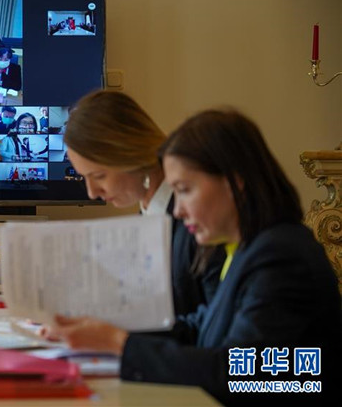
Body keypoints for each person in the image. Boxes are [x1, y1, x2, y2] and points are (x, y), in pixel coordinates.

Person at [52, 108, 342, 405]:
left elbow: (237, 373)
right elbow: (200, 328)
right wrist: (108, 331)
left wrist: (120, 343)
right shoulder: (248, 248)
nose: (178, 210)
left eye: (185, 190)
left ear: (235, 181)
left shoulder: (281, 257)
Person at [62, 91, 222, 315]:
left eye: (99, 176)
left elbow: (213, 324)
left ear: (130, 156)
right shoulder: (148, 214)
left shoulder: (198, 220)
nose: (92, 192)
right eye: (84, 178)